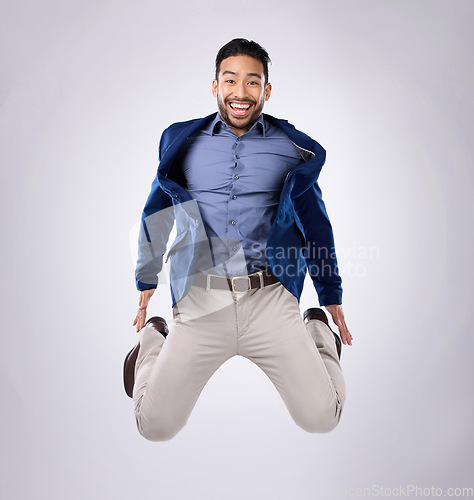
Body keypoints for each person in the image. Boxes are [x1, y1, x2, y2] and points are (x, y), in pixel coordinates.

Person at [124, 38, 353, 441]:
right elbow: (157, 208)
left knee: (322, 418)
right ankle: (153, 341)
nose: (241, 93)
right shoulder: (182, 142)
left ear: (266, 90)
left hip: (270, 298)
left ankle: (315, 332)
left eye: (252, 82)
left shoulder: (290, 148)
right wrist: (146, 281)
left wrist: (329, 294)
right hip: (201, 300)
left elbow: (316, 221)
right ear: (216, 86)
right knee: (154, 427)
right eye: (230, 81)